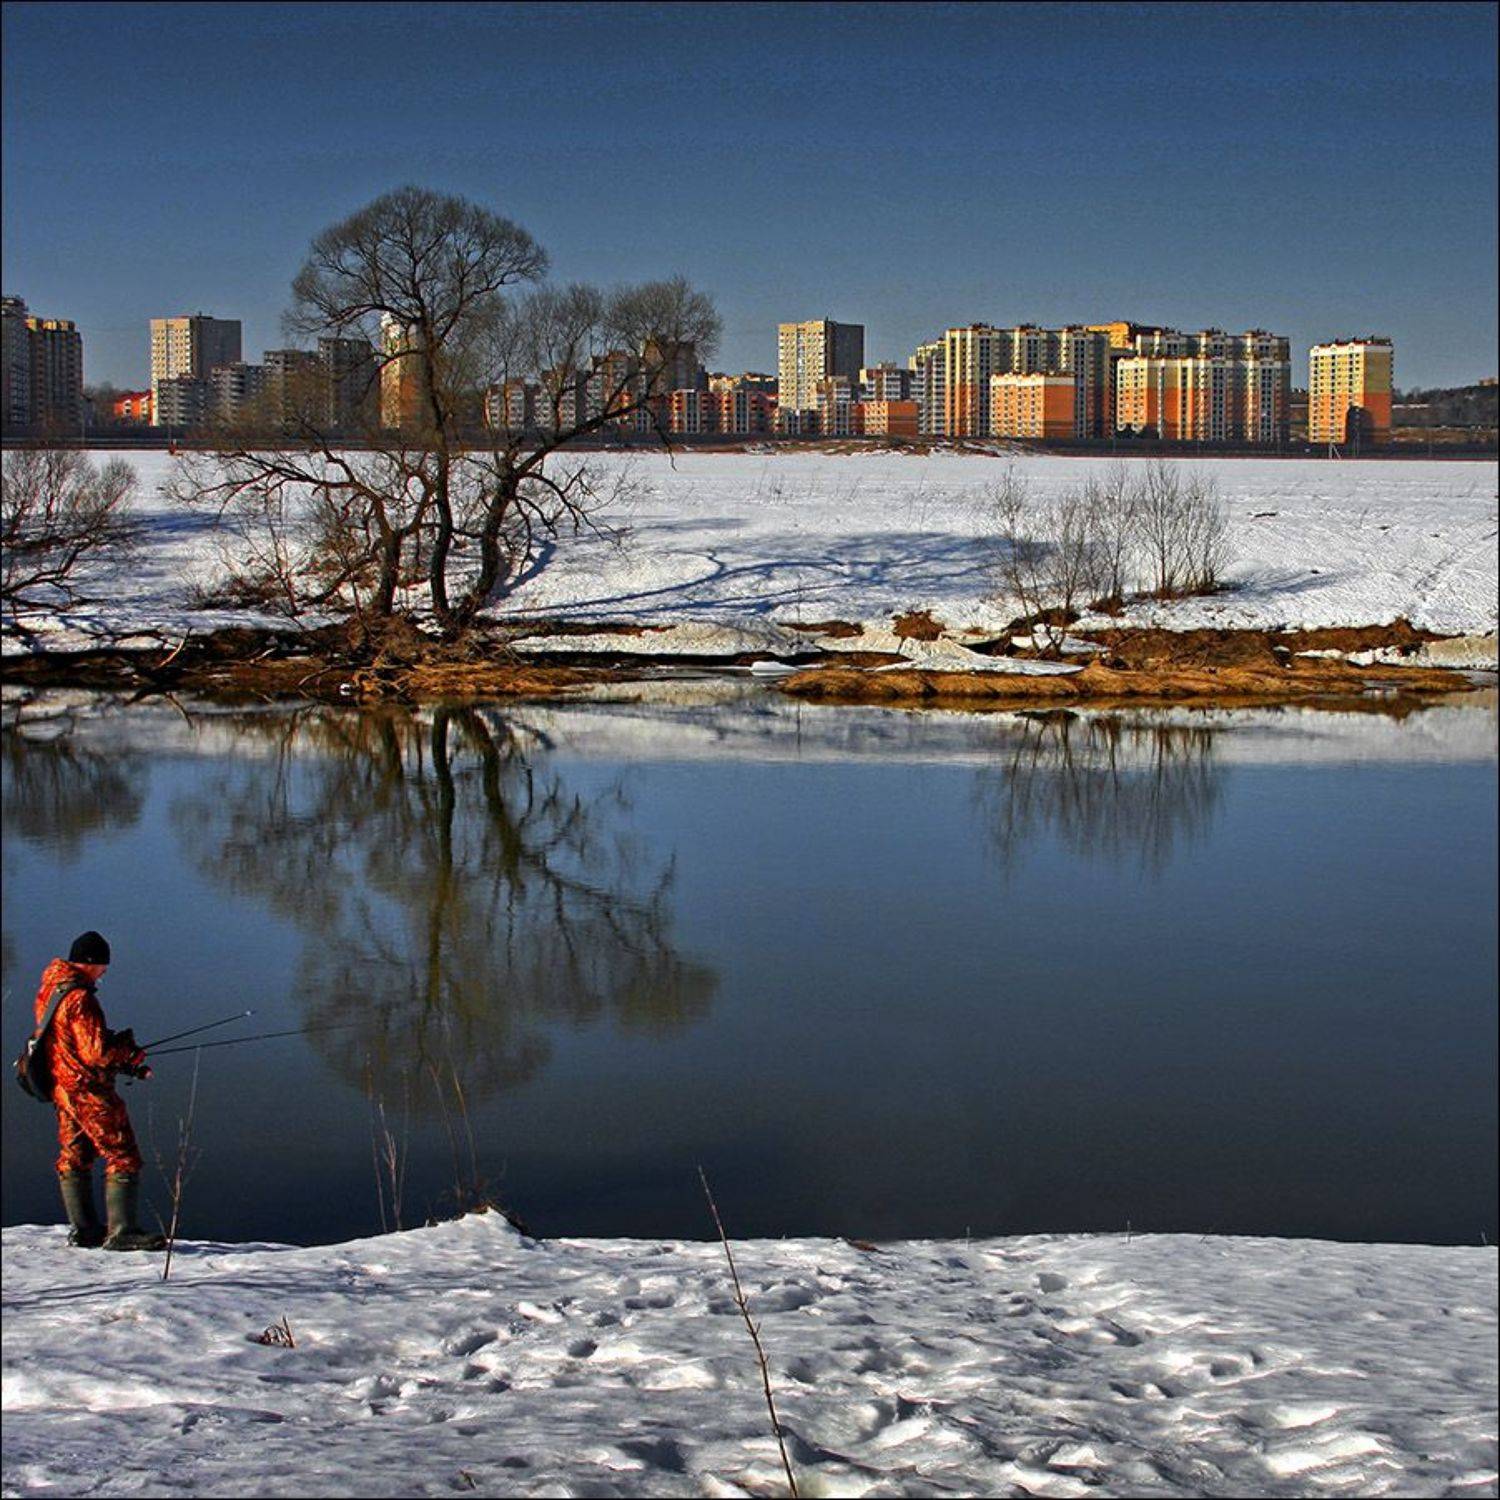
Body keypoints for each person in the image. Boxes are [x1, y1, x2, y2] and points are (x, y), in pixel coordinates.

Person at [35, 932, 164, 1251]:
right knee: (123, 1153)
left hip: (62, 1087)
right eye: (103, 965)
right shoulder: (81, 999)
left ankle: (85, 1230)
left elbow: (68, 1038)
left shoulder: (53, 987)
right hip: (86, 1089)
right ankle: (122, 1232)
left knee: (75, 1154)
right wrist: (126, 1054)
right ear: (91, 963)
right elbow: (95, 1053)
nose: (105, 972)